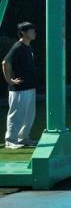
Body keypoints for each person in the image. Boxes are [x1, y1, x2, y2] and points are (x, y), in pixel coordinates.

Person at [3, 21, 37, 149]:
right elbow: (5, 63)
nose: (34, 32)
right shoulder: (18, 47)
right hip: (19, 89)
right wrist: (9, 80)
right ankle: (10, 140)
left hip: (30, 87)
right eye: (31, 30)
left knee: (29, 115)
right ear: (23, 32)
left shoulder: (28, 47)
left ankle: (23, 138)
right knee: (16, 115)